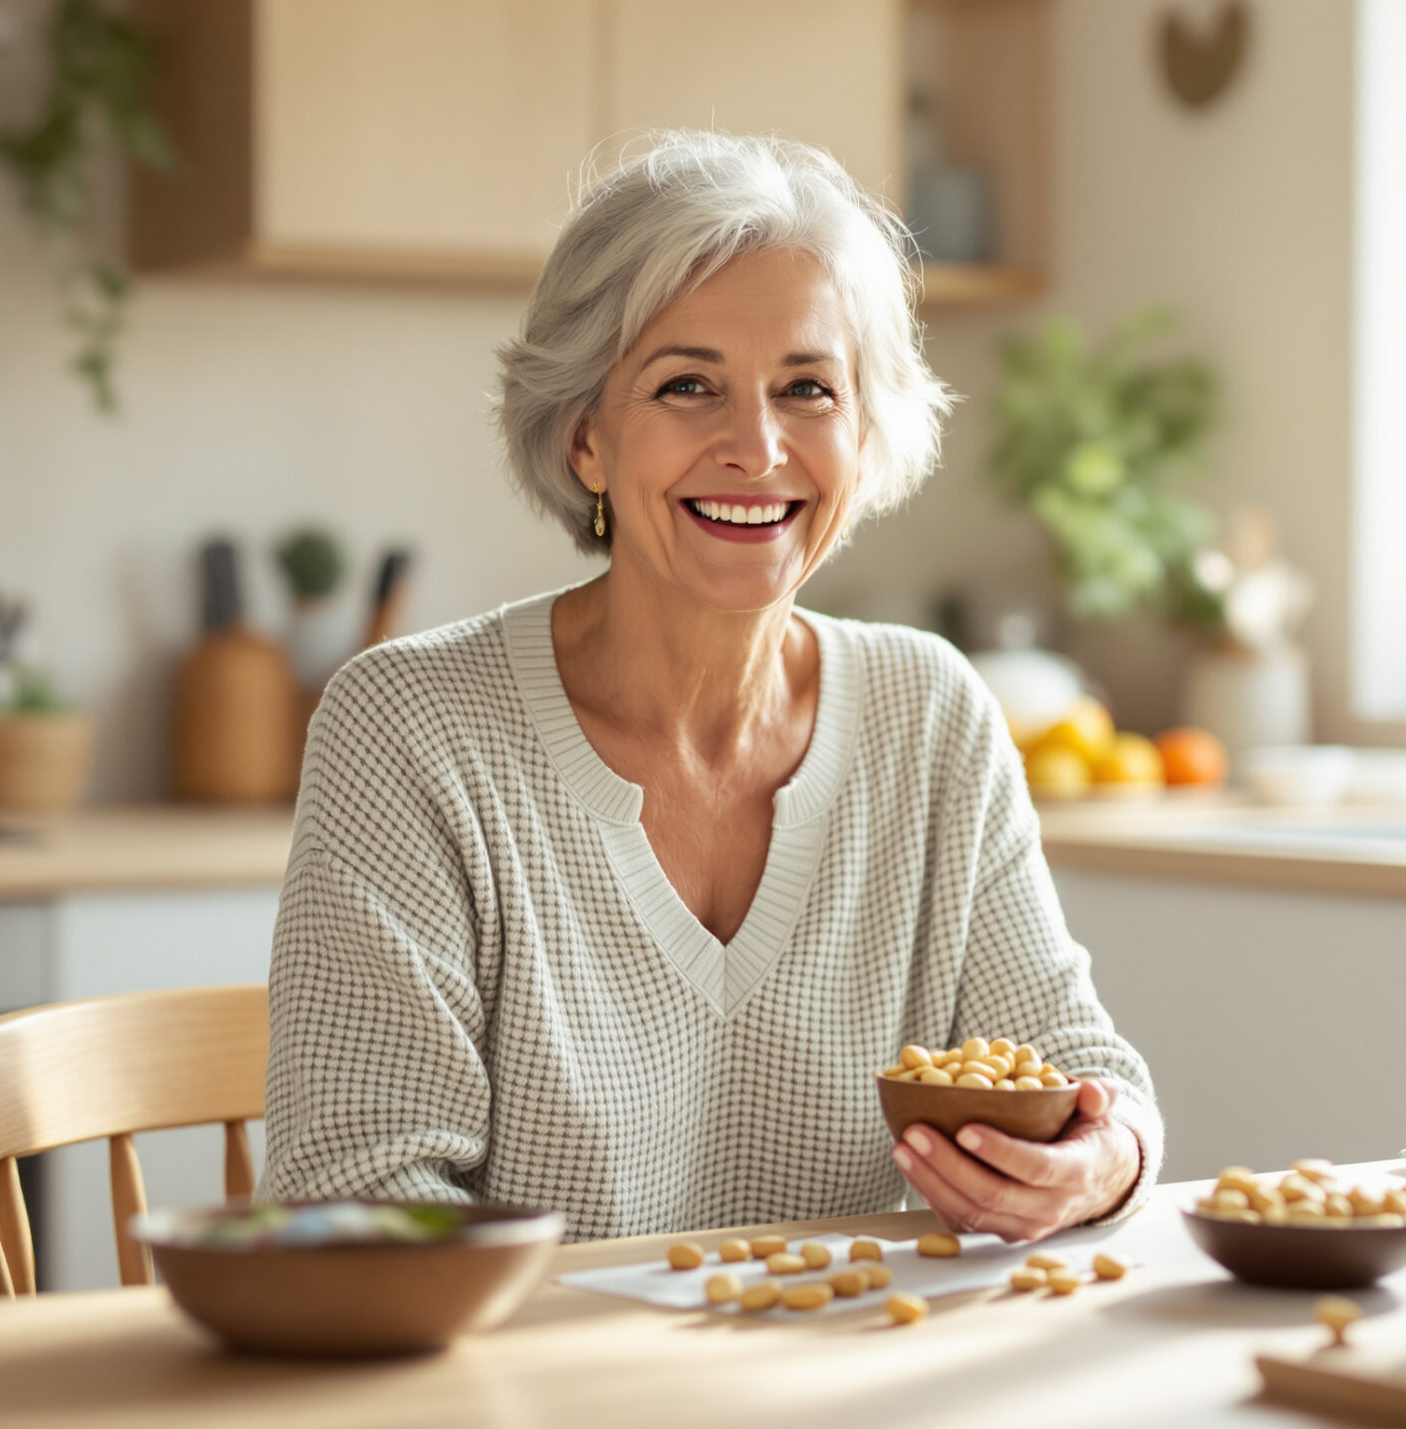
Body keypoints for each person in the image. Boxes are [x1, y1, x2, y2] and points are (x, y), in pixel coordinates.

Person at [259, 130, 1161, 1243]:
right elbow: (359, 1194)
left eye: (807, 388)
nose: (756, 445)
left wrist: (1098, 1161)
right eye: (688, 385)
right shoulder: (411, 729)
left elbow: (1083, 1072)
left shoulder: (929, 712)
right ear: (587, 436)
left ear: (864, 433)